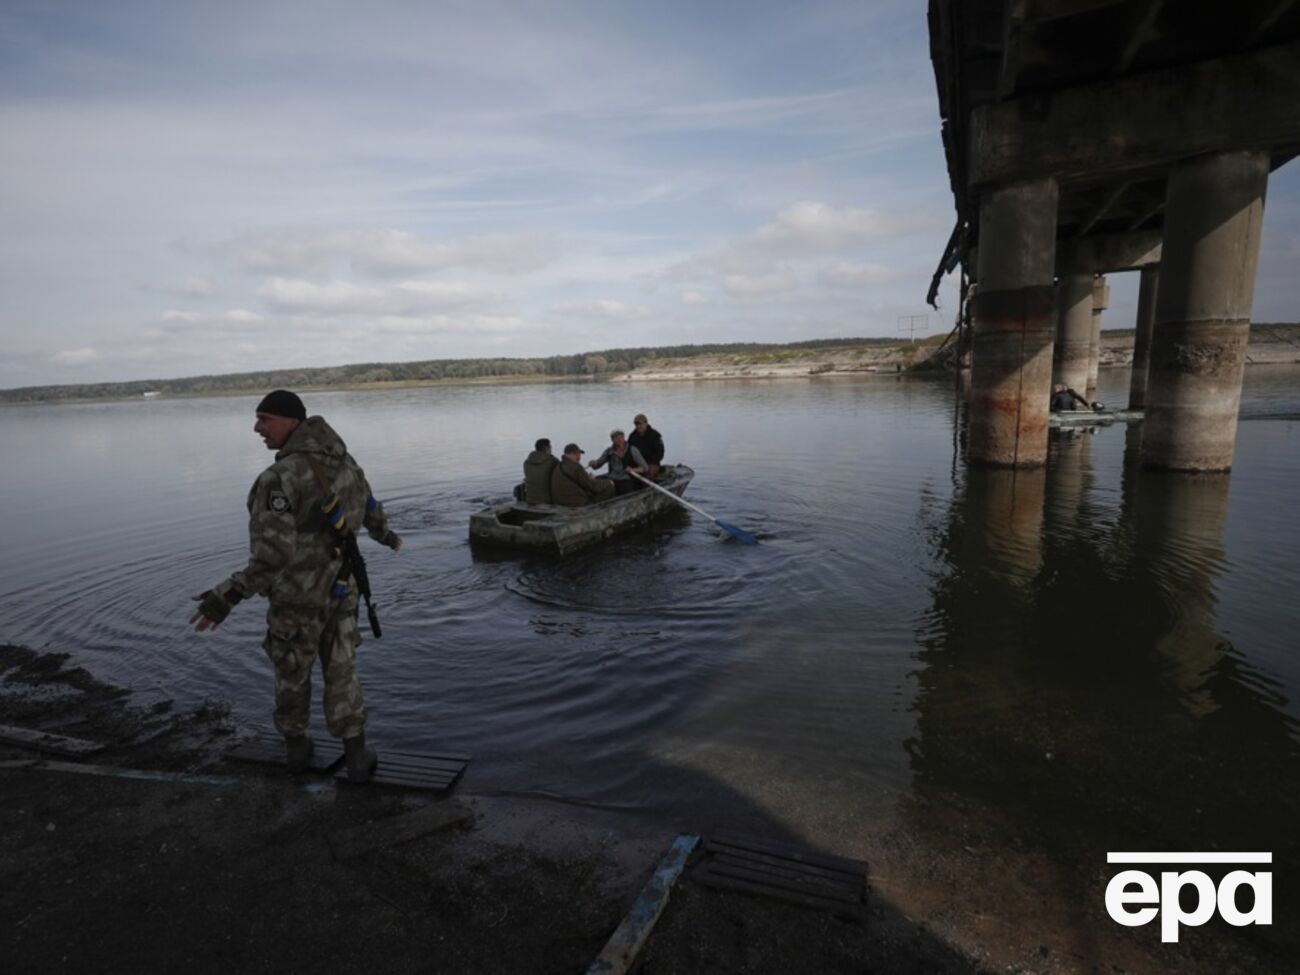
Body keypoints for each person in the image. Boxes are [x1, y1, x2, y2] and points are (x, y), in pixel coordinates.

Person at [189, 390, 402, 783]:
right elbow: (369, 504)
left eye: (265, 419)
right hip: (342, 591)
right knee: (343, 671)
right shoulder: (345, 461)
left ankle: (297, 749)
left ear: (292, 421)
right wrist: (386, 536)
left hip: (297, 600)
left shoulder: (279, 478)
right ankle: (356, 756)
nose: (257, 428)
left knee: (291, 672)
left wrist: (226, 596)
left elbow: (273, 557)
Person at [551, 443, 617, 506]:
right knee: (609, 487)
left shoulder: (559, 466)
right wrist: (609, 482)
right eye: (575, 454)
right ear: (567, 454)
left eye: (579, 454)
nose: (578, 456)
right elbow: (591, 485)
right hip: (575, 503)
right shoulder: (575, 466)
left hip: (561, 502)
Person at [588, 429, 648, 495]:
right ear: (612, 440)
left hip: (626, 479)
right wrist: (593, 463)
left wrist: (632, 469)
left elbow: (645, 468)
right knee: (592, 482)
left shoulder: (632, 450)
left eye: (621, 437)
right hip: (611, 477)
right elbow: (597, 465)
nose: (619, 440)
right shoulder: (609, 451)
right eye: (616, 438)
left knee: (627, 493)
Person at [627, 413, 664, 480]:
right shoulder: (632, 436)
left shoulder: (655, 435)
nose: (638, 426)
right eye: (636, 424)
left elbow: (660, 453)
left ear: (646, 423)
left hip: (652, 463)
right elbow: (628, 451)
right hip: (637, 463)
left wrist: (651, 464)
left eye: (640, 424)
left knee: (649, 472)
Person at [523, 438, 558, 504]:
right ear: (546, 448)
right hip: (547, 501)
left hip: (530, 500)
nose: (551, 450)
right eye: (550, 447)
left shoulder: (526, 462)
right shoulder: (552, 461)